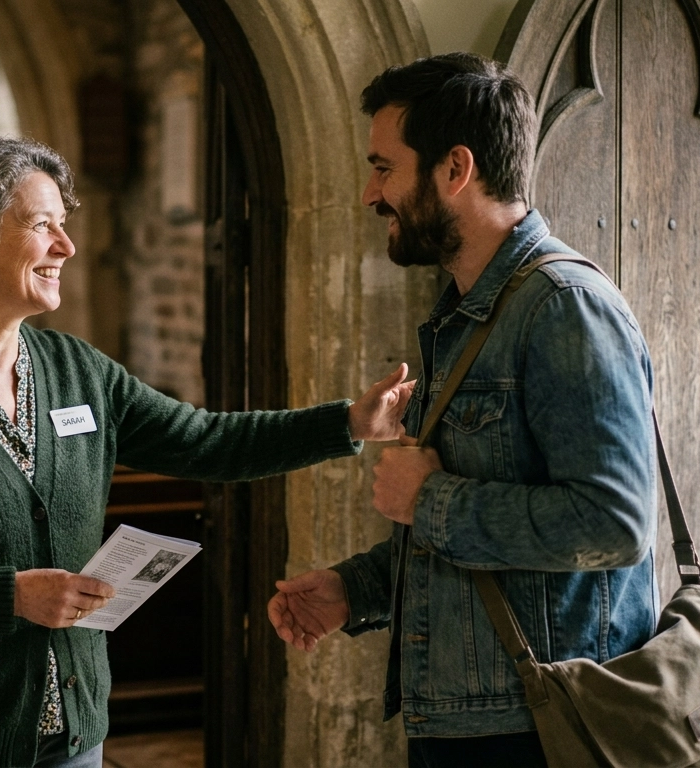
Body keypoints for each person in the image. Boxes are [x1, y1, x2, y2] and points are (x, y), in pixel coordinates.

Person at [0, 136, 417, 768]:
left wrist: (347, 423)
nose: (66, 246)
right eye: (41, 225)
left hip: (74, 735)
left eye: (64, 225)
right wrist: (10, 596)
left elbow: (206, 440)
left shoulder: (76, 370)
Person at [266, 54, 658, 768]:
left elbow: (614, 523)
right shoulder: (466, 314)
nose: (370, 193)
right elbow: (480, 541)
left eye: (384, 168)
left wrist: (430, 500)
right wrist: (354, 590)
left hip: (542, 732)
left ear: (455, 169)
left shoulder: (565, 308)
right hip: (471, 723)